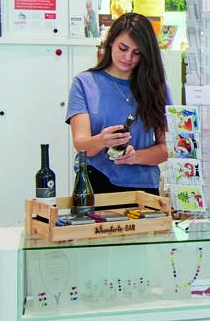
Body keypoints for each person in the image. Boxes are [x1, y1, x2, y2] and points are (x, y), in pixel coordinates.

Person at [66, 13, 175, 194]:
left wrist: (135, 156)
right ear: (110, 42)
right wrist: (101, 140)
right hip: (97, 184)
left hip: (144, 190)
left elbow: (167, 147)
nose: (128, 57)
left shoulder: (156, 88)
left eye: (137, 53)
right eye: (123, 48)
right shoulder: (84, 84)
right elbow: (81, 144)